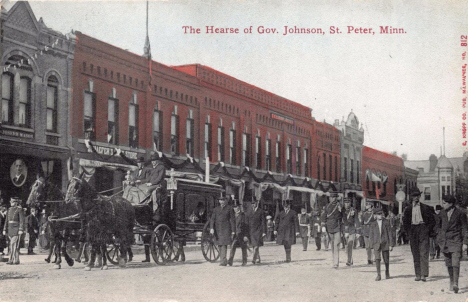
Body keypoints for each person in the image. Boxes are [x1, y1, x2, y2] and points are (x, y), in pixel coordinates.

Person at [403, 187, 436, 282]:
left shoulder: (426, 208)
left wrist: (427, 229)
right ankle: (417, 274)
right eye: (414, 196)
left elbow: (432, 221)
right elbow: (405, 223)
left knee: (424, 252)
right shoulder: (408, 209)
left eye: (417, 196)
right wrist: (408, 233)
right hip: (413, 230)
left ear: (420, 196)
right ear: (411, 197)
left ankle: (424, 274)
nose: (416, 198)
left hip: (423, 229)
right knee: (415, 253)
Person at [436, 195, 468, 293]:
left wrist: (465, 243)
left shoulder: (460, 213)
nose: (443, 205)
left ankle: (455, 283)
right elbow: (437, 226)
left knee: (455, 262)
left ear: (451, 203)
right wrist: (439, 237)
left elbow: (464, 229)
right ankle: (451, 281)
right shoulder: (441, 213)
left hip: (456, 241)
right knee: (448, 263)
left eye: (445, 203)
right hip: (445, 242)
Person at [369, 208, 394, 281]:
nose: (380, 215)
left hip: (385, 242)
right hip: (376, 243)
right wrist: (371, 245)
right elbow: (371, 235)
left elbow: (390, 233)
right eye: (378, 214)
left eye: (381, 214)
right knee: (377, 258)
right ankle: (378, 274)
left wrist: (391, 244)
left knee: (386, 259)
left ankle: (387, 271)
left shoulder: (386, 222)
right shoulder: (373, 224)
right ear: (375, 215)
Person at [210, 197, 235, 266]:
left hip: (226, 229)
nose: (222, 201)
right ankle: (223, 260)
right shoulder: (216, 209)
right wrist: (211, 228)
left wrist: (233, 231)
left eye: (223, 200)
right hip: (218, 229)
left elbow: (232, 220)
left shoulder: (229, 208)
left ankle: (223, 261)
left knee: (224, 244)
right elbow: (212, 219)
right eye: (220, 200)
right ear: (219, 201)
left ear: (226, 201)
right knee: (220, 244)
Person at [3, 197, 25, 265]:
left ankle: (11, 260)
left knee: (13, 244)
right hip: (10, 229)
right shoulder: (9, 209)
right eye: (11, 201)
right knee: (14, 245)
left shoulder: (19, 209)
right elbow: (6, 221)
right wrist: (4, 229)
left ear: (16, 202)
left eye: (12, 202)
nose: (11, 203)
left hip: (16, 229)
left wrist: (21, 229)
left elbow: (21, 220)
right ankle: (17, 260)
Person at [324, 192, 343, 268]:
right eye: (332, 197)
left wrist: (341, 210)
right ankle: (334, 259)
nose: (333, 199)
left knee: (336, 244)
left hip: (337, 227)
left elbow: (343, 215)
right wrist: (322, 225)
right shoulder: (327, 206)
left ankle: (336, 263)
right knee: (332, 244)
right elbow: (324, 215)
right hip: (329, 227)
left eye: (335, 197)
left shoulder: (340, 206)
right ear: (330, 198)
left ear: (336, 198)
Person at [245, 199, 266, 264]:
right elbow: (247, 222)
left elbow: (263, 222)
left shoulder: (261, 211)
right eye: (252, 204)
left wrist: (264, 231)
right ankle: (258, 258)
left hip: (258, 231)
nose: (253, 205)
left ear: (257, 203)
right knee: (254, 245)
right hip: (251, 231)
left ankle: (254, 259)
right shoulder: (249, 212)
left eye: (254, 203)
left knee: (256, 245)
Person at [342, 198, 360, 266]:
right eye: (345, 203)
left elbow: (356, 220)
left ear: (350, 203)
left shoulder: (354, 210)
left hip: (352, 229)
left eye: (348, 202)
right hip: (344, 229)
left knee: (350, 244)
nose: (347, 204)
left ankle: (349, 260)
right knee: (346, 246)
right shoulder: (342, 210)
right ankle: (350, 258)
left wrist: (358, 231)